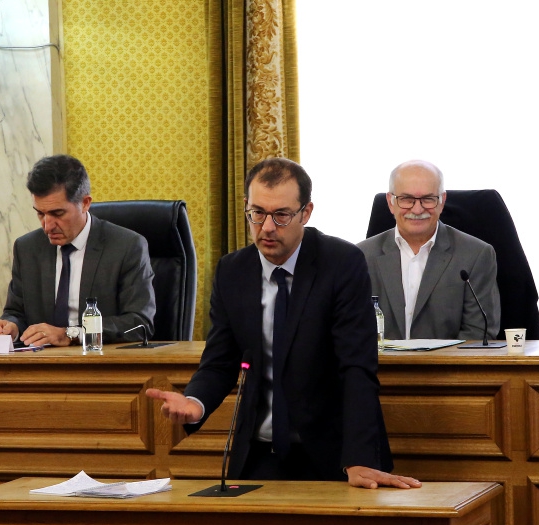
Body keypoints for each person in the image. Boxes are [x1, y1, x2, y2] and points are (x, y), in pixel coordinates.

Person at [146, 157, 420, 489]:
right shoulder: (233, 271)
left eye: (281, 215)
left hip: (336, 455)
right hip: (259, 454)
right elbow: (220, 361)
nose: (267, 227)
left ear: (306, 212)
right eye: (257, 213)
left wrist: (359, 456)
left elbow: (356, 367)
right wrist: (195, 402)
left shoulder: (341, 263)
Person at [0, 154, 156, 347]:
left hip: (101, 361)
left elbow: (139, 323)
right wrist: (11, 327)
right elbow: (16, 311)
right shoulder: (26, 248)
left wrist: (71, 334)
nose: (47, 226)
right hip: (42, 362)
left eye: (57, 213)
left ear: (85, 203)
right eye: (40, 214)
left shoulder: (127, 246)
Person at [357, 160, 500, 340]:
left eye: (428, 199)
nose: (417, 209)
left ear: (442, 201)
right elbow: (351, 330)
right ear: (390, 202)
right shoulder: (361, 257)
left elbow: (478, 334)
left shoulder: (475, 255)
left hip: (451, 359)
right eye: (406, 199)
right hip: (381, 359)